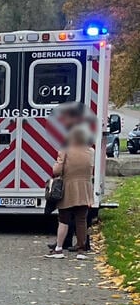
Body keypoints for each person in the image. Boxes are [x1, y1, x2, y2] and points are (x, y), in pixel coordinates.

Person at [46, 102, 97, 252]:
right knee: (81, 219)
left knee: (64, 219)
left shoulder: (65, 150)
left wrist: (55, 168)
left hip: (68, 188)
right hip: (84, 189)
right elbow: (91, 169)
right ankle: (81, 247)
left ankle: (59, 247)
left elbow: (57, 169)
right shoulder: (90, 151)